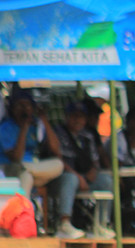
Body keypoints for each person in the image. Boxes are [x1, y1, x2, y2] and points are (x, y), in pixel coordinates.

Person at [0, 88, 83, 239]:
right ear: (12, 107)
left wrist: (44, 120)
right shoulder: (6, 127)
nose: (24, 109)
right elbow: (16, 157)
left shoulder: (37, 126)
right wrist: (24, 128)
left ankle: (64, 224)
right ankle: (20, 220)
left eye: (27, 105)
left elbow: (56, 151)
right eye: (20, 105)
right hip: (11, 170)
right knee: (25, 175)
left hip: (34, 169)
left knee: (61, 169)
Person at [56, 101, 115, 239]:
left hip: (86, 177)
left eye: (81, 116)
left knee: (106, 180)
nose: (78, 120)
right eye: (74, 116)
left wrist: (93, 171)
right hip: (65, 176)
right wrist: (79, 177)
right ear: (67, 117)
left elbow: (95, 159)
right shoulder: (59, 133)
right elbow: (59, 160)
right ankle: (64, 224)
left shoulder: (87, 135)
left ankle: (101, 224)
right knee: (71, 178)